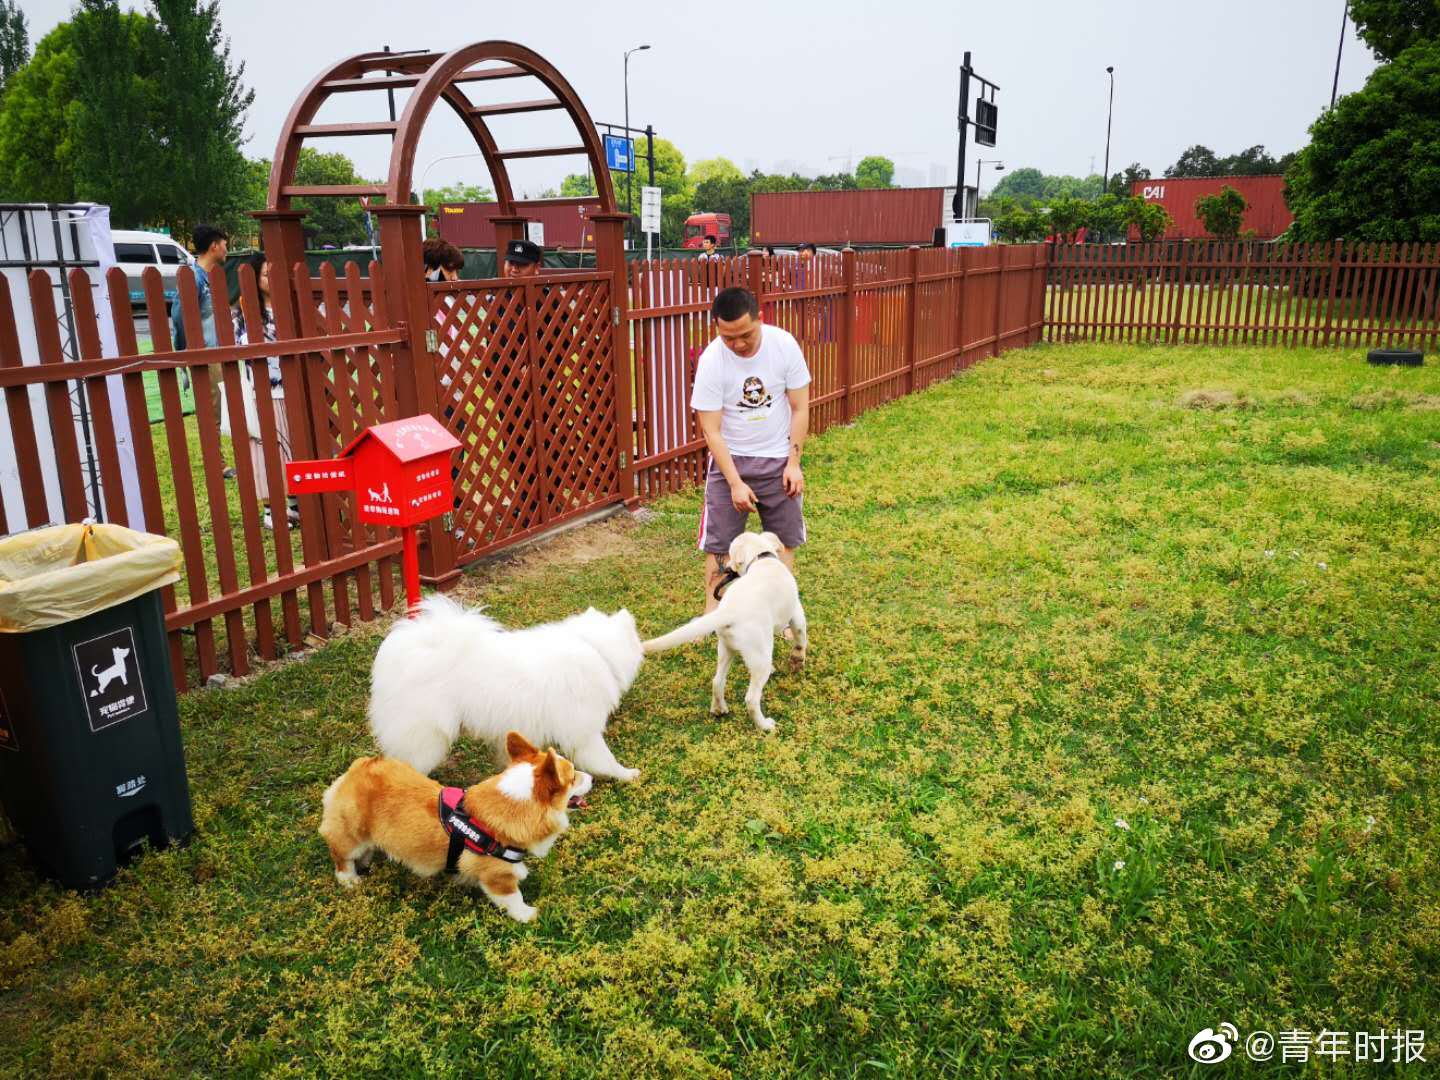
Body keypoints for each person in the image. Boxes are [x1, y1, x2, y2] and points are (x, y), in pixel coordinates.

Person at [691, 286, 810, 613]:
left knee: (784, 542)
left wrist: (793, 463)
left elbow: (800, 407)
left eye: (745, 334)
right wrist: (733, 482)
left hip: (778, 460)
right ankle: (713, 616)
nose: (738, 344)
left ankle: (781, 615)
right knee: (719, 547)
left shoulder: (784, 346)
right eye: (728, 337)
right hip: (731, 461)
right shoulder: (712, 360)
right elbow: (711, 430)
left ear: (760, 319)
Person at [232, 253, 296, 530]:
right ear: (255, 280)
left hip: (290, 389)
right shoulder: (243, 313)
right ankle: (271, 508)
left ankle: (294, 502)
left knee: (292, 447)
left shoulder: (289, 307)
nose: (272, 280)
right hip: (262, 391)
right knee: (266, 449)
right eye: (266, 275)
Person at [173, 223, 232, 475]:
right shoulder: (195, 277)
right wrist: (188, 350)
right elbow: (179, 315)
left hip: (217, 351)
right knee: (212, 409)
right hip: (205, 354)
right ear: (214, 246)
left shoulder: (210, 278)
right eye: (224, 243)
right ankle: (216, 463)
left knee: (219, 406)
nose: (227, 248)